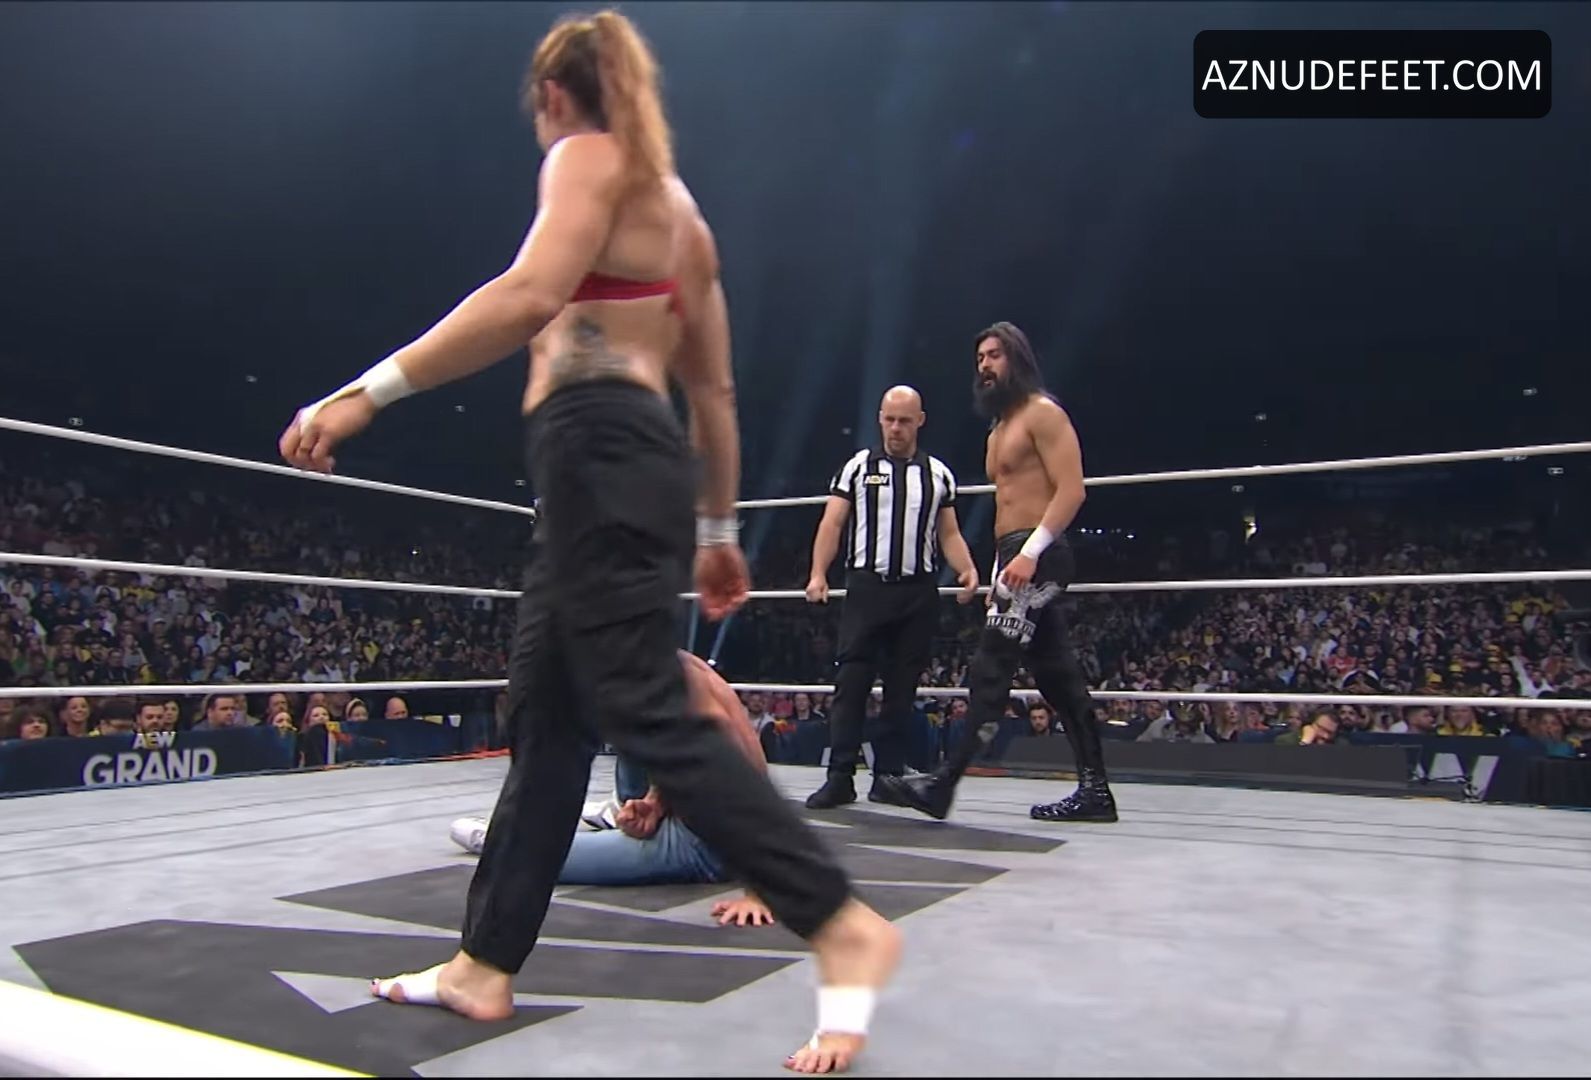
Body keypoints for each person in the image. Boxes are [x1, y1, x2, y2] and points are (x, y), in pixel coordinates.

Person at [276, 11, 898, 1072]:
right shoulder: (685, 219)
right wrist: (716, 531)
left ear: (554, 95)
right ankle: (484, 962)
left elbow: (526, 296)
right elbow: (713, 394)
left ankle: (837, 919)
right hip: (629, 464)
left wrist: (365, 394)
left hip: (596, 451)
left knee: (642, 703)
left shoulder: (584, 158)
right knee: (549, 716)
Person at [879, 322, 1118, 823]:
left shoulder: (1043, 413)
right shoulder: (999, 428)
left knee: (991, 667)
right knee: (1056, 675)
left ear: (1017, 358)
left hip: (1039, 553)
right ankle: (1096, 791)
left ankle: (942, 785)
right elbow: (1004, 508)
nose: (984, 366)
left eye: (994, 355)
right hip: (1013, 557)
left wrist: (1030, 554)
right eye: (980, 358)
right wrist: (999, 572)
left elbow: (1071, 490)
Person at [450, 651, 777, 927]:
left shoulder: (674, 689)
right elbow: (676, 749)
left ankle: (499, 842)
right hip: (686, 815)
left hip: (706, 846)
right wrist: (654, 803)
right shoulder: (662, 667)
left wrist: (759, 893)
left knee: (526, 859)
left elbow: (752, 777)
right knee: (627, 728)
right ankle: (617, 809)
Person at [804, 386, 977, 809]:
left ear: (920, 421)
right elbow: (832, 522)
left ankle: (888, 776)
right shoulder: (857, 467)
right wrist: (818, 573)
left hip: (917, 592)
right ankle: (840, 776)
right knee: (852, 683)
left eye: (904, 420)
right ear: (880, 419)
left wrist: (967, 568)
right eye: (889, 419)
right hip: (868, 588)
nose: (896, 428)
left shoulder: (938, 474)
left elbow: (949, 532)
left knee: (902, 688)